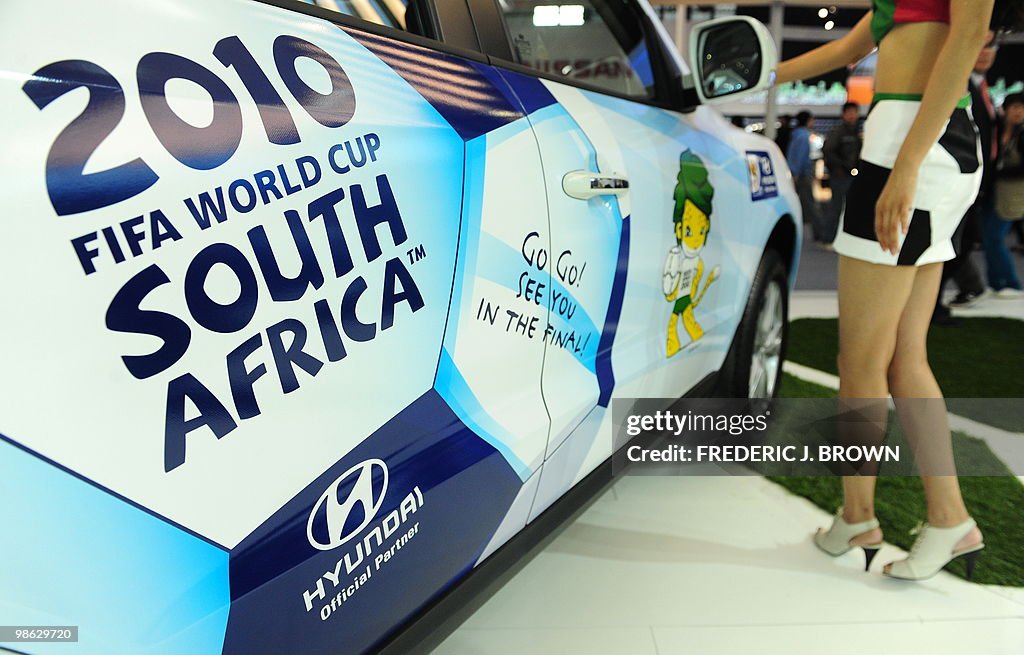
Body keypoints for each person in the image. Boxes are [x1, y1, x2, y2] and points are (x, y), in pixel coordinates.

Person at [776, 0, 1024, 581]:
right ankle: (946, 517)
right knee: (903, 358)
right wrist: (753, 76)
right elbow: (847, 48)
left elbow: (965, 40)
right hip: (919, 142)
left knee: (860, 359)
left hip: (911, 144)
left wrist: (906, 165)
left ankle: (860, 517)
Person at [933, 33, 1001, 324]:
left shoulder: (980, 87)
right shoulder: (959, 83)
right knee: (953, 245)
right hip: (957, 181)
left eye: (992, 46)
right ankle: (930, 306)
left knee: (961, 243)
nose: (986, 52)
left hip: (974, 183)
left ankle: (931, 304)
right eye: (981, 44)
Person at [981, 91, 1024, 296]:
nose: (1019, 112)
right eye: (1015, 107)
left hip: (1013, 194)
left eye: (1022, 108)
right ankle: (996, 283)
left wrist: (999, 171)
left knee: (994, 237)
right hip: (992, 192)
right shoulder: (996, 129)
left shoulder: (1022, 134)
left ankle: (1011, 283)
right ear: (1005, 109)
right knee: (988, 237)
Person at [822, 102, 862, 247]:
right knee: (836, 206)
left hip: (851, 174)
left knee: (849, 207)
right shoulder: (838, 131)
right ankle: (828, 238)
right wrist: (839, 167)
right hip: (840, 175)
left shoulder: (856, 132)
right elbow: (828, 150)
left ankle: (839, 239)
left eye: (855, 112)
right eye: (849, 112)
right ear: (843, 114)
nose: (852, 115)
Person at [786, 111, 821, 242]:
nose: (814, 123)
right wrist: (796, 173)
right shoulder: (803, 137)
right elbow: (799, 158)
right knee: (810, 204)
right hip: (802, 175)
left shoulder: (796, 135)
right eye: (812, 120)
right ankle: (819, 233)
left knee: (802, 203)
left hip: (797, 174)